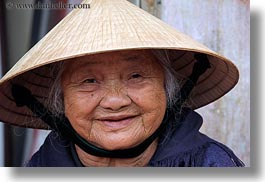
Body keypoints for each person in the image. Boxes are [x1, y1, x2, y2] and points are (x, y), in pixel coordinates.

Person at [0, 0, 244, 167]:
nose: (115, 101)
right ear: (61, 100)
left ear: (166, 91)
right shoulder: (41, 167)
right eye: (89, 80)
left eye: (136, 76)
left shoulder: (209, 164)